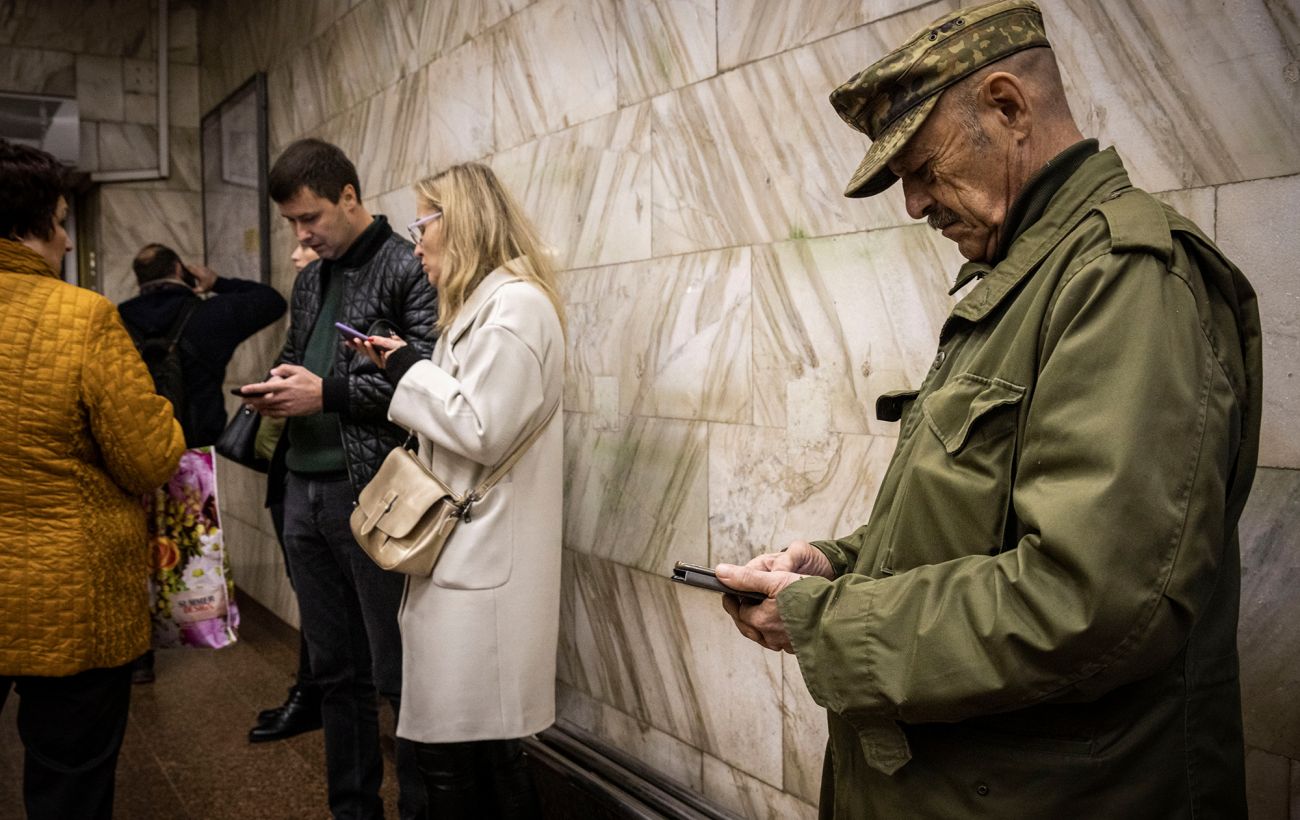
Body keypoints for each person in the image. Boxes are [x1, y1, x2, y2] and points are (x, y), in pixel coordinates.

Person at [716, 2, 1263, 817]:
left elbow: (1090, 603)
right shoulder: (1032, 274)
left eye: (923, 167)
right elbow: (975, 525)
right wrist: (839, 567)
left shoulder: (1125, 278)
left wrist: (825, 623)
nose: (913, 204)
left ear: (1008, 107)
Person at [353, 162, 564, 819]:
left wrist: (408, 369)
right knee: (469, 752)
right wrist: (408, 367)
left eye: (422, 225)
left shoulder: (514, 309)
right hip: (466, 557)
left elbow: (483, 428)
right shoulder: (485, 308)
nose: (415, 245)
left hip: (483, 563)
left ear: (461, 222)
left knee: (466, 755)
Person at [240, 138, 436, 820]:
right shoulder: (310, 279)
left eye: (310, 217)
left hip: (374, 492)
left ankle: (418, 807)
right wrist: (278, 386)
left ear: (349, 196)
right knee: (334, 672)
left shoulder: (406, 265)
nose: (301, 235)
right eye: (291, 222)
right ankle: (353, 810)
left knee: (396, 673)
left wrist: (326, 394)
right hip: (301, 490)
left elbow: (426, 380)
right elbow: (301, 356)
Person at [0, 138, 186, 819]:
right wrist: (162, 412)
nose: (68, 241)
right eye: (60, 221)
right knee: (68, 783)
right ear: (35, 225)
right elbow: (147, 459)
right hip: (70, 597)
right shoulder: (82, 318)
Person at [118, 243, 286, 684]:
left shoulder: (116, 318)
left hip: (132, 451)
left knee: (135, 549)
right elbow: (271, 301)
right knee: (191, 545)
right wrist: (216, 282)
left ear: (139, 278)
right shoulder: (209, 314)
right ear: (180, 269)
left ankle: (138, 657)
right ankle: (196, 626)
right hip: (191, 453)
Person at [248, 239, 323, 744]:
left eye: (305, 238)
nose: (296, 254)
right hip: (288, 466)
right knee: (309, 591)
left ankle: (312, 693)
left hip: (323, 473)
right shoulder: (309, 299)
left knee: (324, 598)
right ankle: (313, 691)